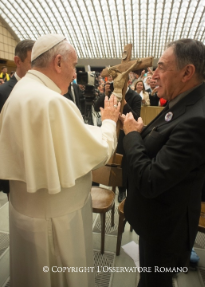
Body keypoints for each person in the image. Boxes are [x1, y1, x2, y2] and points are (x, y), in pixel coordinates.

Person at [0, 34, 120, 287]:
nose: (74, 74)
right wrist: (109, 120)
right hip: (56, 221)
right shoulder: (53, 101)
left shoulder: (21, 90)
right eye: (73, 65)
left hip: (24, 211)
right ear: (57, 62)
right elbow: (97, 151)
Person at [121, 39, 205, 287]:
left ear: (187, 72)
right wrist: (141, 134)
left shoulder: (200, 119)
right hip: (156, 220)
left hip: (167, 228)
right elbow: (162, 138)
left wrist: (131, 136)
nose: (154, 75)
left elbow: (151, 180)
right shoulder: (183, 101)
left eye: (161, 67)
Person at [94, 79, 141, 202]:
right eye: (116, 82)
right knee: (105, 157)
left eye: (121, 82)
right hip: (108, 131)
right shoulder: (111, 94)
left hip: (124, 134)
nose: (118, 85)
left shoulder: (135, 96)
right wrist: (106, 94)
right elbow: (95, 107)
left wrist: (125, 104)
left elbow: (136, 117)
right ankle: (101, 183)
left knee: (123, 163)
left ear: (127, 82)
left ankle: (122, 189)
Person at [0, 39, 35, 195]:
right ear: (17, 61)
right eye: (31, 63)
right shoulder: (4, 92)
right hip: (14, 165)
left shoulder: (41, 89)